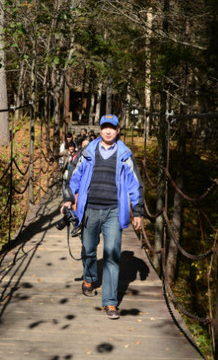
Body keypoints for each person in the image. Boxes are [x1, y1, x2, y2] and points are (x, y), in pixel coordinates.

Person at [62, 114, 144, 319]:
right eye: (105, 127)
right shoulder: (87, 151)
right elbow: (74, 176)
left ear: (117, 131)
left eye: (112, 128)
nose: (108, 131)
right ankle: (89, 277)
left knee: (112, 256)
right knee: (88, 249)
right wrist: (68, 199)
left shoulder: (125, 154)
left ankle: (110, 302)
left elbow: (135, 183)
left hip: (113, 212)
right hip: (89, 209)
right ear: (100, 129)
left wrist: (138, 210)